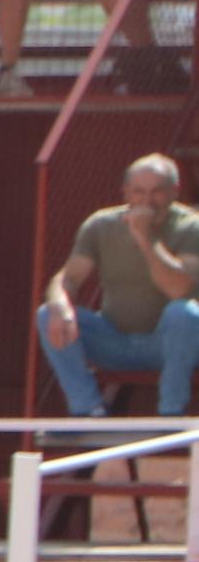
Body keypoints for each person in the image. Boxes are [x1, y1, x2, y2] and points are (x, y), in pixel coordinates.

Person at [34, 151, 199, 419]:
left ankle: (171, 414)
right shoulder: (101, 225)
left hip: (172, 344)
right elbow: (68, 278)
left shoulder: (192, 227)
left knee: (184, 313)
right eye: (138, 192)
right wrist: (61, 306)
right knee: (47, 313)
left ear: (174, 191)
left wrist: (146, 238)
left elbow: (178, 289)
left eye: (157, 192)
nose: (147, 201)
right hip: (115, 341)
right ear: (125, 192)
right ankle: (88, 411)